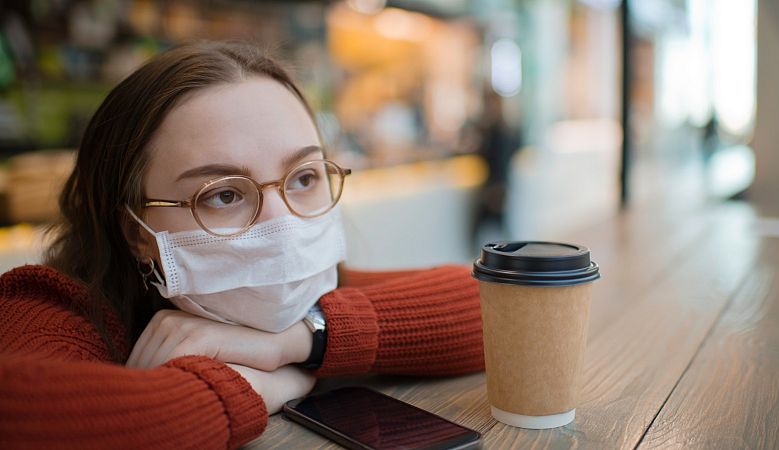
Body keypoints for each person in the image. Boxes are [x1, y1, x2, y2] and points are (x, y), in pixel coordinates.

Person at [0, 41, 484, 449]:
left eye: (304, 177)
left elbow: (496, 303)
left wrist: (299, 341)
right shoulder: (50, 305)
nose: (282, 224)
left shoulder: (315, 294)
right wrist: (259, 385)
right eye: (223, 194)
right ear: (134, 231)